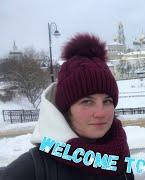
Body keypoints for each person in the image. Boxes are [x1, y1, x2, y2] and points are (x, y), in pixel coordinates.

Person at [1, 33, 133, 180]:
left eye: (107, 101)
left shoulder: (119, 152)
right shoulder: (34, 168)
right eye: (87, 102)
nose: (100, 113)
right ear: (66, 109)